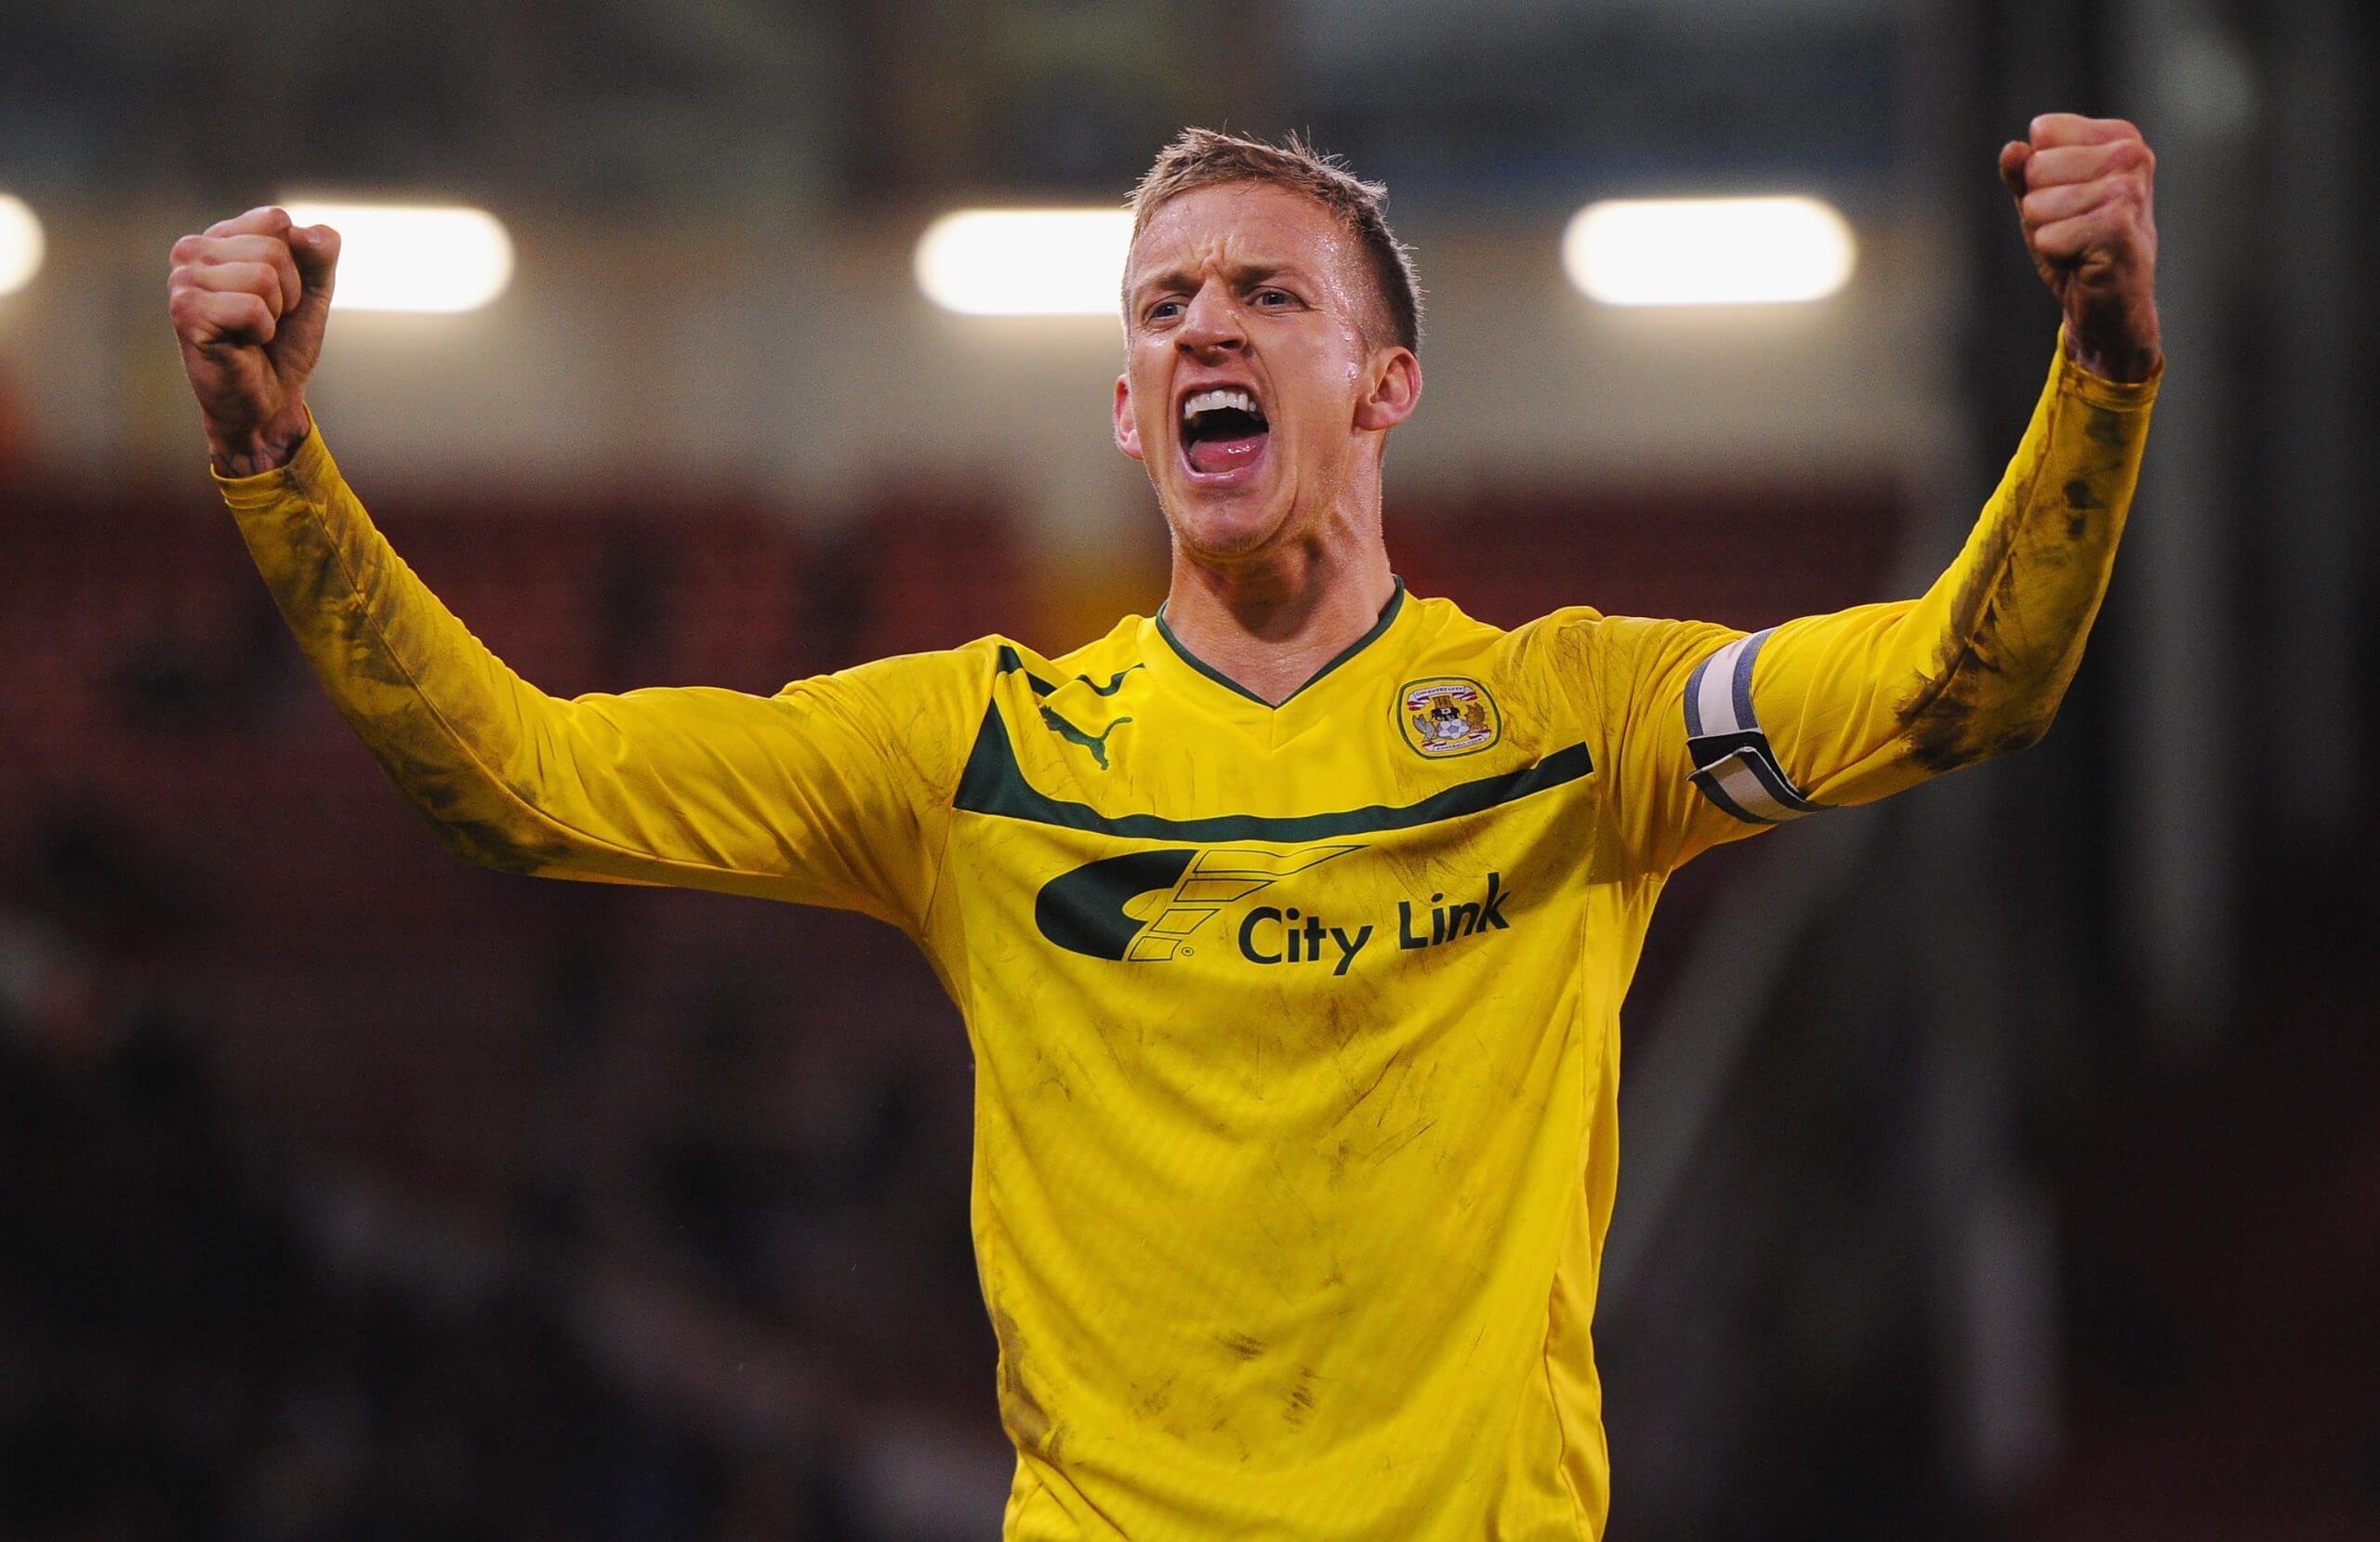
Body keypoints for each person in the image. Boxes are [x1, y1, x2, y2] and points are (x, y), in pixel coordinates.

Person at [166, 117, 2159, 1539]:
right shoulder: (977, 751)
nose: (1201, 324)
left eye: (1263, 293)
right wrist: (277, 465)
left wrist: (2092, 374)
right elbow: (518, 785)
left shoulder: (1580, 719)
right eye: (1160, 304)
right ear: (1128, 411)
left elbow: (1953, 684)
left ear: (1378, 384)